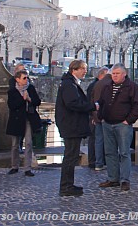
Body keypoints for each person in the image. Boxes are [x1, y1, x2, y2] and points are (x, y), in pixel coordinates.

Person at [98, 63, 138, 192]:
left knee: (124, 153)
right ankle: (113, 178)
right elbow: (101, 103)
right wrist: (101, 116)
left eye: (117, 73)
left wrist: (128, 120)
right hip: (107, 123)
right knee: (109, 152)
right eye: (113, 73)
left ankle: (125, 180)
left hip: (122, 125)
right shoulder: (107, 87)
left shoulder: (132, 87)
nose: (115, 76)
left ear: (124, 74)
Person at [55, 60, 96, 197]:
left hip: (71, 125)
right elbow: (73, 104)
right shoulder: (69, 85)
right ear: (74, 70)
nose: (85, 71)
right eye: (83, 69)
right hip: (71, 125)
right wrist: (92, 106)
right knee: (70, 157)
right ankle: (66, 186)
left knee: (71, 156)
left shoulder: (69, 84)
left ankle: (68, 184)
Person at [6, 69, 41, 177]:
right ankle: (14, 166)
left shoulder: (30, 88)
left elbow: (37, 101)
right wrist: (23, 99)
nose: (26, 80)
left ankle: (27, 168)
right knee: (15, 144)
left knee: (29, 143)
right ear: (17, 79)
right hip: (17, 119)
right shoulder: (12, 91)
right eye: (24, 78)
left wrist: (30, 99)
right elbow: (12, 105)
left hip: (28, 118)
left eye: (27, 78)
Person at [87, 67, 109, 170]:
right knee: (98, 139)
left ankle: (96, 162)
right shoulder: (101, 85)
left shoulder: (94, 85)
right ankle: (97, 161)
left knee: (96, 139)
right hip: (99, 116)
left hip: (95, 116)